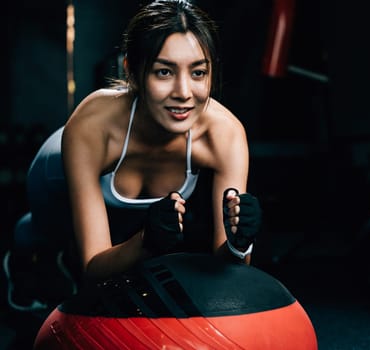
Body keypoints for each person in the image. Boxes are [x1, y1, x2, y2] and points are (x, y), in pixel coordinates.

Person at [3, 0, 262, 312]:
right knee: (47, 236)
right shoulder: (91, 126)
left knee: (120, 234)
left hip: (123, 206)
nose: (183, 91)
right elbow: (92, 270)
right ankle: (22, 253)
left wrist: (239, 242)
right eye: (164, 71)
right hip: (54, 171)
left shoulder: (226, 135)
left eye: (198, 72)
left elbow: (233, 267)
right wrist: (146, 242)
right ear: (133, 72)